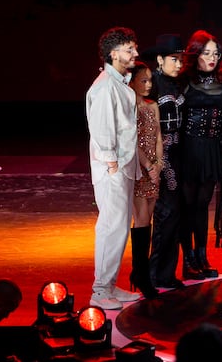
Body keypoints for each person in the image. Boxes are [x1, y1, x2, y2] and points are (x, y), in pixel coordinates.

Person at [84, 26, 143, 310]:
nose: (135, 53)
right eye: (129, 49)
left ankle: (107, 285)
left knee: (119, 228)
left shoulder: (118, 84)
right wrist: (111, 163)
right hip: (113, 168)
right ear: (113, 53)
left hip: (121, 165)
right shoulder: (106, 85)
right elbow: (102, 127)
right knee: (111, 227)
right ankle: (100, 291)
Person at [177, 30, 222, 280]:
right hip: (189, 148)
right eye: (206, 53)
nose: (212, 58)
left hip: (212, 149)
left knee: (202, 205)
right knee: (187, 205)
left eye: (215, 53)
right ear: (195, 54)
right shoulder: (183, 80)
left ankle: (201, 255)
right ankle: (187, 260)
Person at [145, 34, 187, 289]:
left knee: (174, 215)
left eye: (181, 59)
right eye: (174, 59)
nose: (179, 64)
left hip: (179, 154)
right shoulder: (152, 84)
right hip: (160, 157)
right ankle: (152, 275)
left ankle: (166, 274)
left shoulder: (178, 83)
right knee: (164, 213)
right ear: (160, 59)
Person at [128, 60, 162, 298]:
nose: (149, 85)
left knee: (148, 219)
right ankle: (140, 273)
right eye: (143, 80)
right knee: (140, 219)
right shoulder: (130, 107)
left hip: (152, 170)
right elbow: (131, 140)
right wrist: (148, 166)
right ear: (132, 83)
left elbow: (158, 136)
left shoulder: (153, 106)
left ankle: (141, 272)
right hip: (139, 170)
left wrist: (158, 165)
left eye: (150, 80)